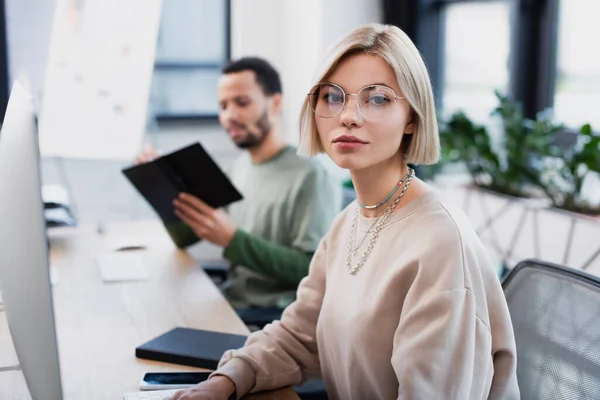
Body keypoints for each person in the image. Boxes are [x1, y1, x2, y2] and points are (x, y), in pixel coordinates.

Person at [169, 24, 520, 400]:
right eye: (333, 97)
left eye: (378, 99)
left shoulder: (440, 245)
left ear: (413, 118)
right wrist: (223, 382)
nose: (348, 116)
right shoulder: (348, 222)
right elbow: (298, 336)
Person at [138, 57, 342, 311]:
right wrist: (160, 184)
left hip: (270, 321)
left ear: (275, 103)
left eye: (242, 103)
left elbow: (312, 270)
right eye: (223, 106)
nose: (229, 116)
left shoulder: (312, 175)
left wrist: (233, 240)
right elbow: (185, 237)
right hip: (230, 305)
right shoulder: (237, 169)